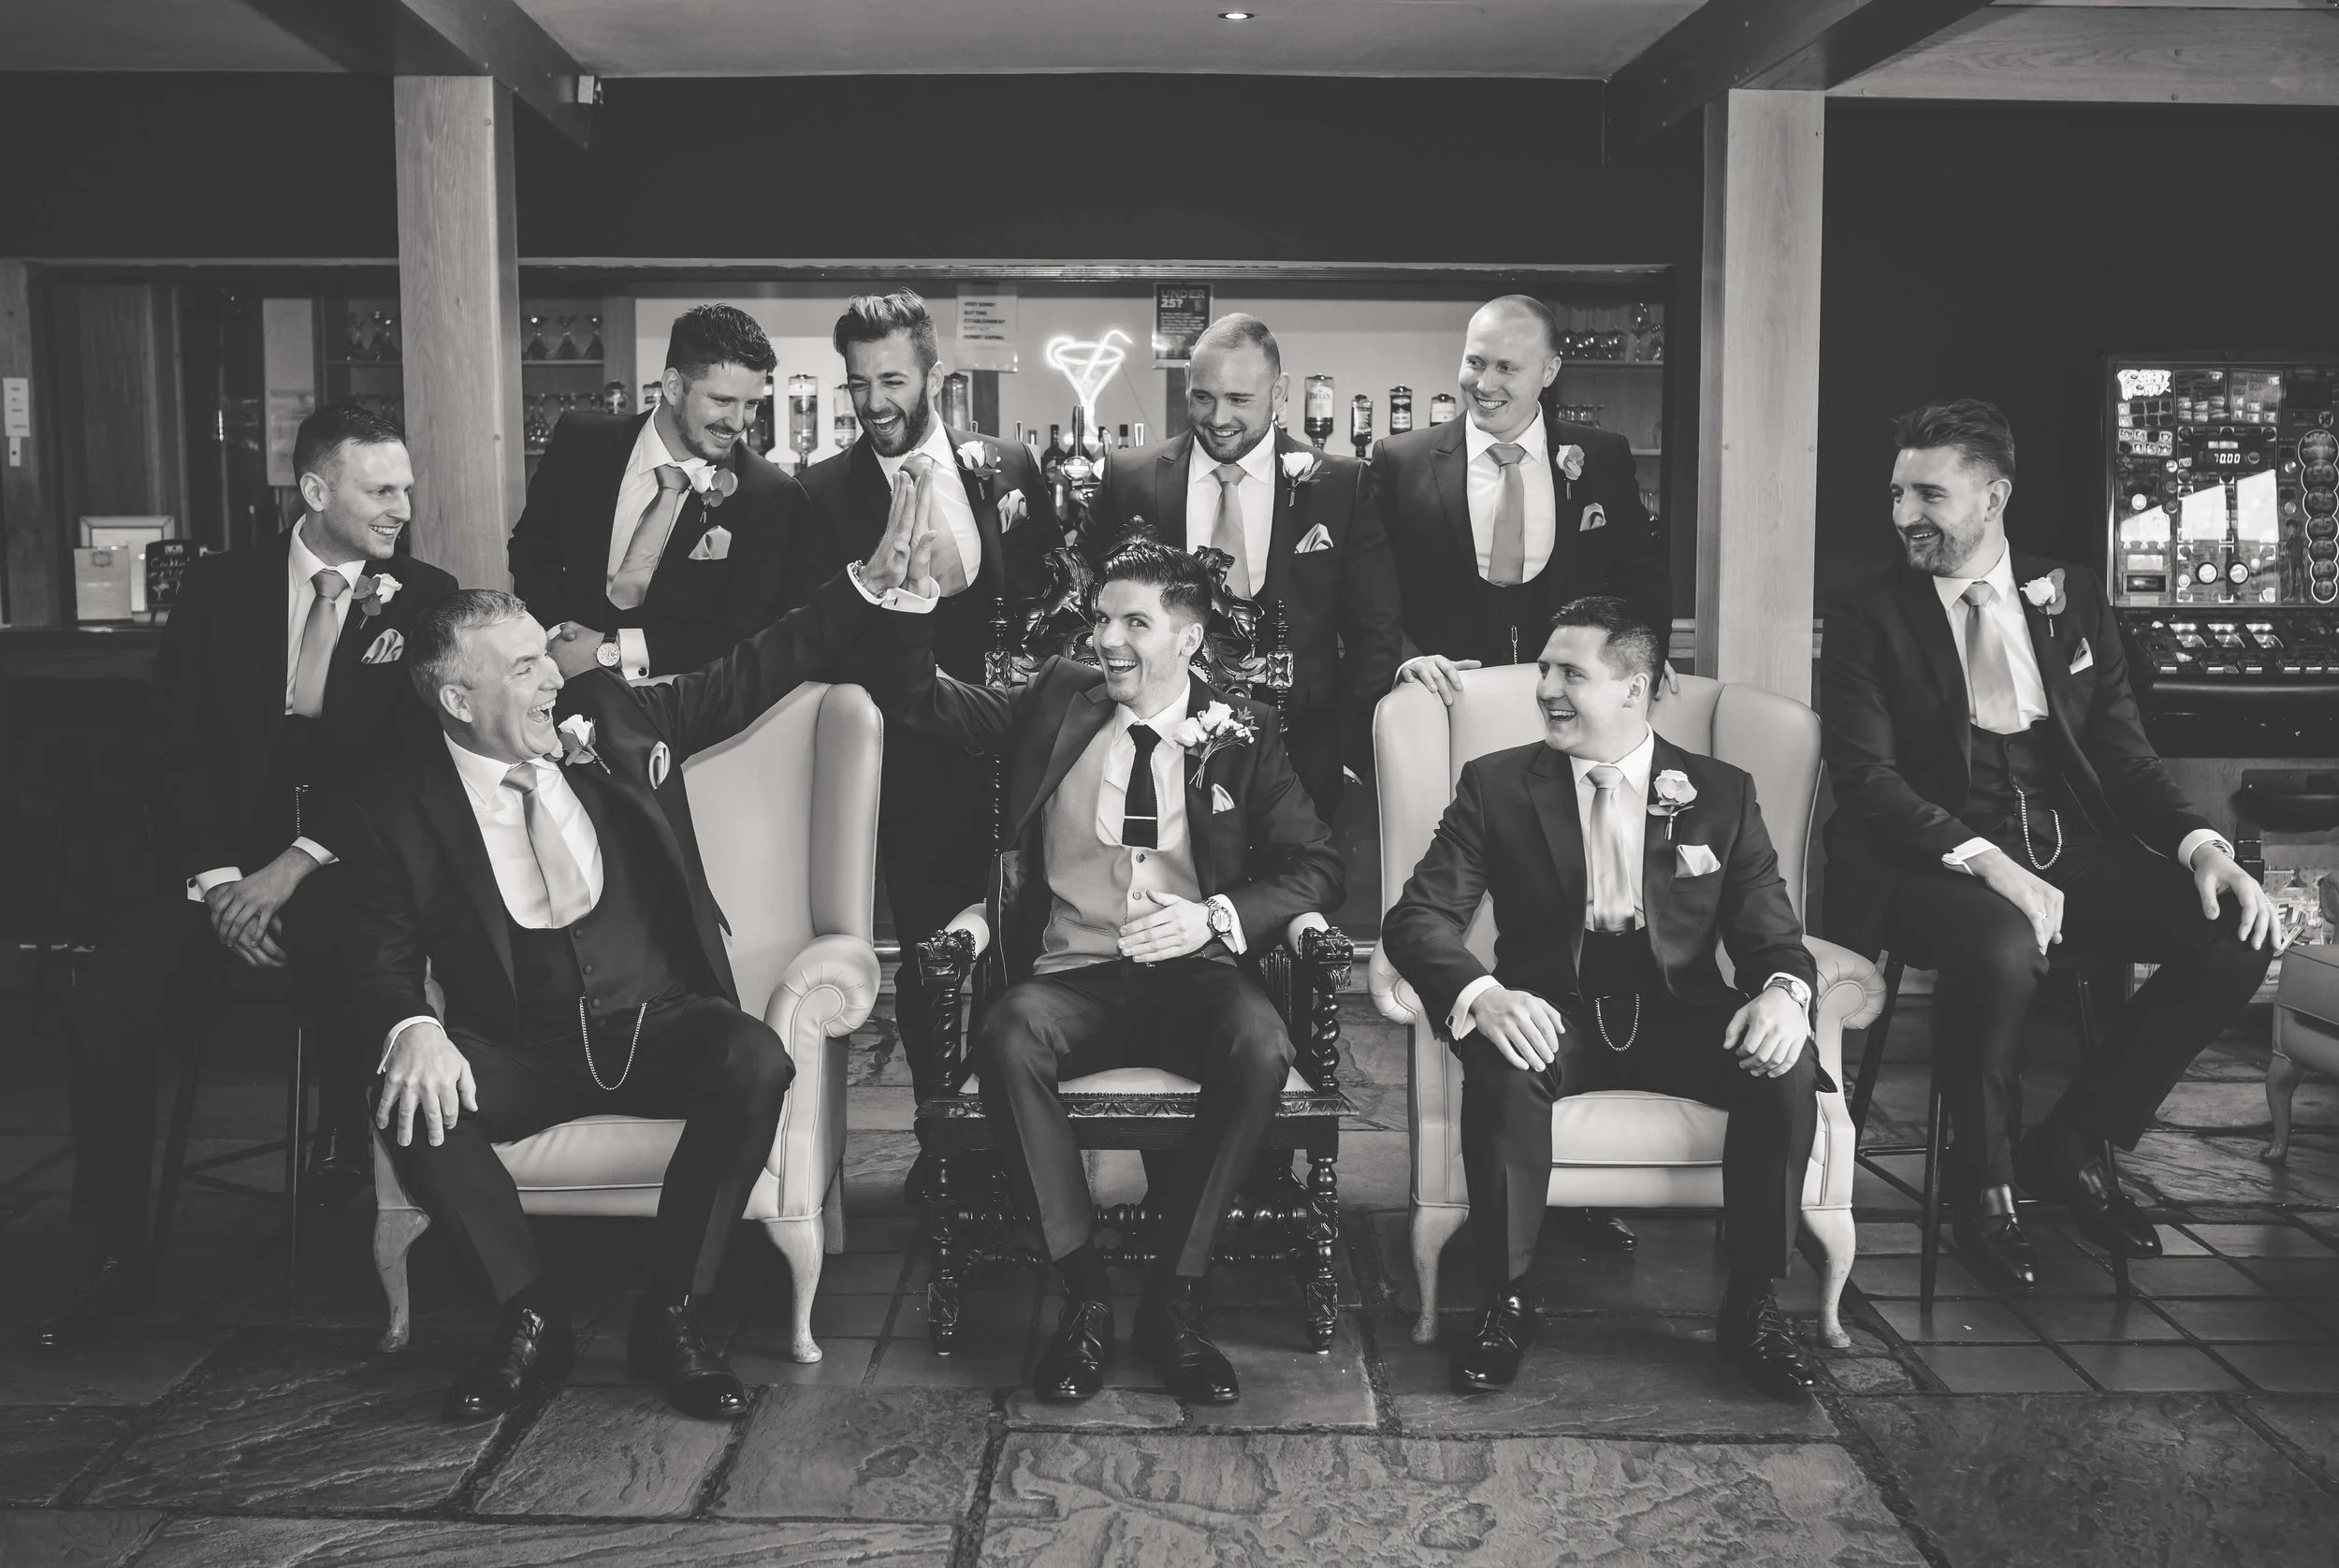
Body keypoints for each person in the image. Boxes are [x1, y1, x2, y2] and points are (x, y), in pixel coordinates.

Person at [349, 493, 939, 1421]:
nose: (554, 677)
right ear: (458, 699)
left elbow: (755, 668)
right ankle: (529, 1318)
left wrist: (862, 587)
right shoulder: (398, 803)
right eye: (523, 668)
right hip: (519, 1045)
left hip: (657, 1022)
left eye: (548, 652)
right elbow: (376, 951)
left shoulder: (612, 720)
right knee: (411, 1102)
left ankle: (672, 1313)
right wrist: (412, 1025)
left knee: (753, 1058)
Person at [879, 535, 1343, 1406]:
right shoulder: (1059, 699)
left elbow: (1316, 864)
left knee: (1261, 1044)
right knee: (1008, 1035)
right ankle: (1084, 1293)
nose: (1107, 639)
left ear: (1189, 639)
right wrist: (908, 610)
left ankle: (1177, 1294)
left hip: (1196, 974)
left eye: (1136, 621)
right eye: (1101, 618)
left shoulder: (1244, 729)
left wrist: (1216, 918)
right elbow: (925, 704)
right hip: (1072, 973)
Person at [1822, 399, 2274, 1292]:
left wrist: (2199, 846)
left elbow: (2124, 757)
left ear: (1994, 498)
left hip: (2063, 841)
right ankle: (1980, 1187)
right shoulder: (1868, 610)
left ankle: (2069, 1143)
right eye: (1897, 494)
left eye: (1929, 495)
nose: (1905, 515)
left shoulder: (2068, 594)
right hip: (1925, 857)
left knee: (2230, 934)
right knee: (2003, 945)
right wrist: (1989, 866)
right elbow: (1867, 781)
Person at [32, 405, 456, 1351]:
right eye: (380, 489)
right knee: (107, 1004)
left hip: (344, 866)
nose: (403, 505)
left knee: (373, 967)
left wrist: (292, 866)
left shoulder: (423, 596)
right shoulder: (221, 590)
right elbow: (172, 748)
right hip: (210, 872)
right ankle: (112, 1258)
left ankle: (371, 1185)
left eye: (406, 486)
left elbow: (407, 771)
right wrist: (223, 882)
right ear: (316, 492)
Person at [1383, 596, 1823, 1400]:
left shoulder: (1721, 793)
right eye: (1545, 668)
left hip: (1684, 1011)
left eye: (1569, 673)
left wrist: (1785, 996)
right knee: (1504, 1062)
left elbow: (1772, 938)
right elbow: (1418, 918)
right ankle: (1506, 1300)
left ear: (1633, 688)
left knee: (1785, 1067)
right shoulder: (1497, 785)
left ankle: (1754, 1305)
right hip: (1554, 1007)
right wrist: (1483, 994)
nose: (1546, 687)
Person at [1373, 292, 1671, 1254]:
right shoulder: (1402, 461)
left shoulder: (1605, 460)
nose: (1483, 382)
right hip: (1456, 726)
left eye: (1506, 367)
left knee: (1585, 908)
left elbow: (1640, 591)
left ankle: (1578, 1173)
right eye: (1473, 363)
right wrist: (1406, 656)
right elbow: (1375, 597)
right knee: (1458, 899)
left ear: (1548, 373)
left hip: (1577, 724)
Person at [788, 289, 1059, 1199]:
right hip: (907, 758)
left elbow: (1055, 589)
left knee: (1025, 941)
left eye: (891, 378)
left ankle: (1024, 1136)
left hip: (1016, 755)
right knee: (933, 955)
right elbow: (816, 635)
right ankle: (942, 1133)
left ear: (933, 374)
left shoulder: (1008, 465)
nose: (872, 400)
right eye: (857, 382)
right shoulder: (821, 494)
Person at [1092, 312, 1403, 823]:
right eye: (1203, 397)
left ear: (1279, 392)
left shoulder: (1340, 486)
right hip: (1155, 755)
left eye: (1240, 399)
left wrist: (1346, 752)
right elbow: (1091, 612)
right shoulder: (1129, 478)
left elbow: (1377, 630)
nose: (1218, 418)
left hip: (1301, 763)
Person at [508, 303, 800, 683]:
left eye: (752, 404)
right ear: (674, 387)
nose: (738, 421)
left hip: (674, 701)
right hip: (558, 682)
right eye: (722, 400)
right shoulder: (579, 441)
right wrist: (556, 636)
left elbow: (743, 630)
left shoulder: (769, 494)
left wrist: (608, 652)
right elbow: (530, 550)